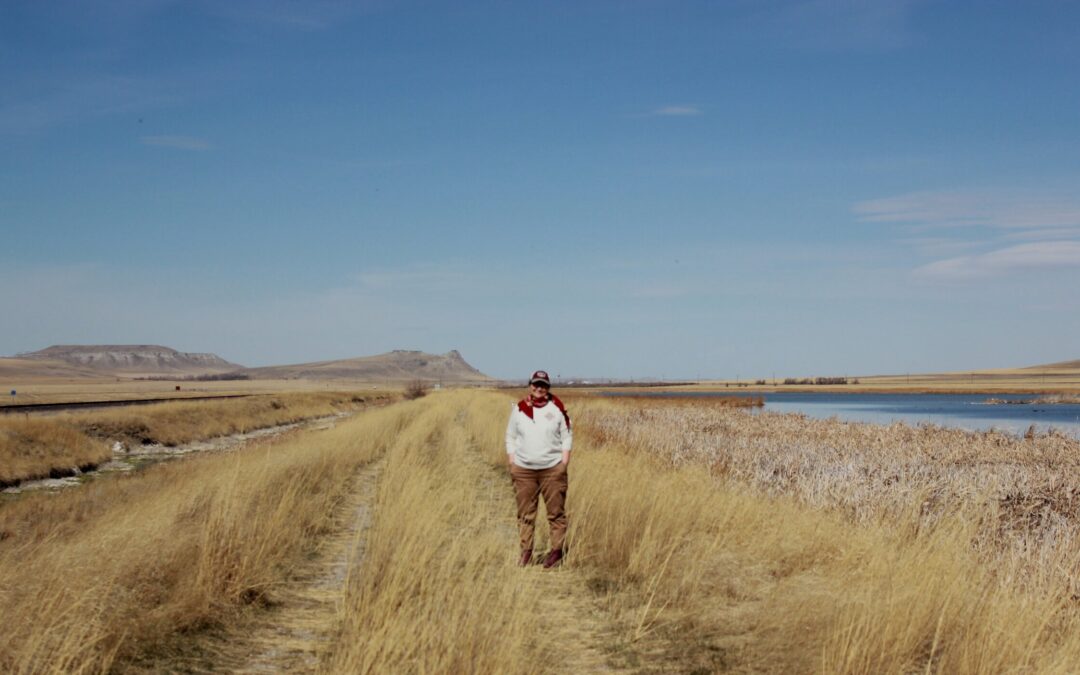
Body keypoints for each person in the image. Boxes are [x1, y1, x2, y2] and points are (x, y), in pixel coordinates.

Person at [505, 370, 572, 568]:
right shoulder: (519, 409)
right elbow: (510, 436)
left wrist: (564, 462)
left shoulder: (557, 408)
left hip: (552, 469)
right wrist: (512, 460)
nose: (539, 388)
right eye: (536, 384)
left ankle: (556, 553)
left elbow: (567, 435)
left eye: (543, 385)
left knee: (556, 514)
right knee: (525, 514)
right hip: (524, 470)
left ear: (548, 387)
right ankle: (526, 553)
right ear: (530, 385)